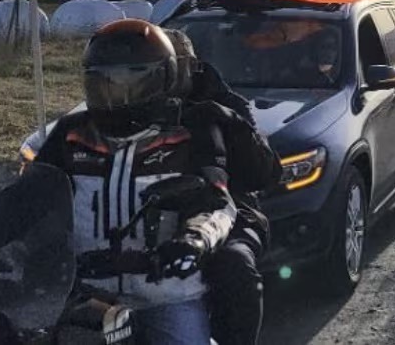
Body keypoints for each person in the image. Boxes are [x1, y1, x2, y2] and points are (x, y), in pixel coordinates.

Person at [35, 19, 238, 345]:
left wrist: (194, 239)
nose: (115, 96)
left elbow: (217, 203)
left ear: (163, 78)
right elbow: (26, 198)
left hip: (166, 294)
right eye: (103, 83)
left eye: (131, 82)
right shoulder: (70, 134)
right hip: (83, 292)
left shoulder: (191, 132)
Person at [165, 28, 280, 345]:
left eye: (173, 65)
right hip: (144, 206)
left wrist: (232, 123)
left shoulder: (225, 105)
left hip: (227, 207)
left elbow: (266, 173)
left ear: (191, 66)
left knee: (234, 264)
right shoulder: (125, 107)